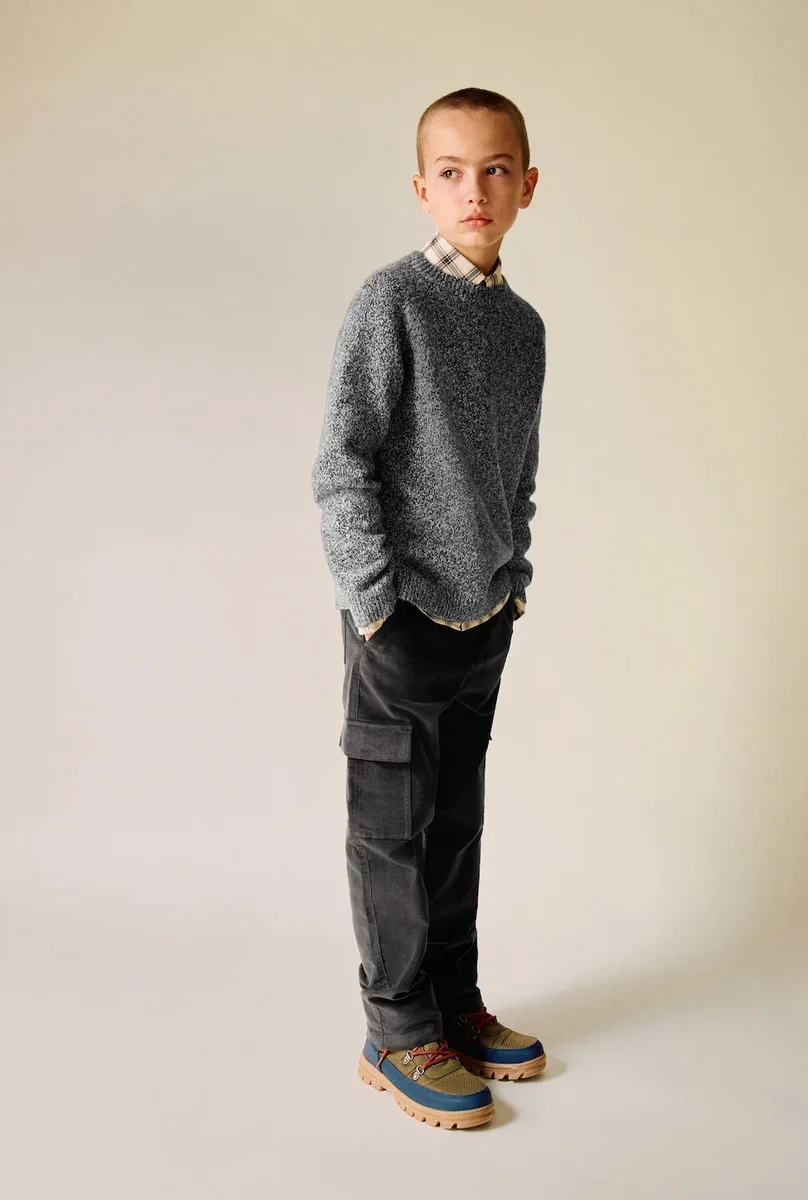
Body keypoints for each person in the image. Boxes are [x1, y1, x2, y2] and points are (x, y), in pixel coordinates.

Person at [311, 87, 547, 1129]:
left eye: (495, 169)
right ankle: (397, 1028)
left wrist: (513, 582)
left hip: (483, 617)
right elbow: (341, 463)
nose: (474, 190)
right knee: (391, 832)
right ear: (421, 188)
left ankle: (454, 1002)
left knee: (454, 825)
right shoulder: (391, 302)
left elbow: (518, 473)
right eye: (451, 172)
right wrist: (375, 605)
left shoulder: (523, 329)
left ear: (527, 186)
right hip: (401, 622)